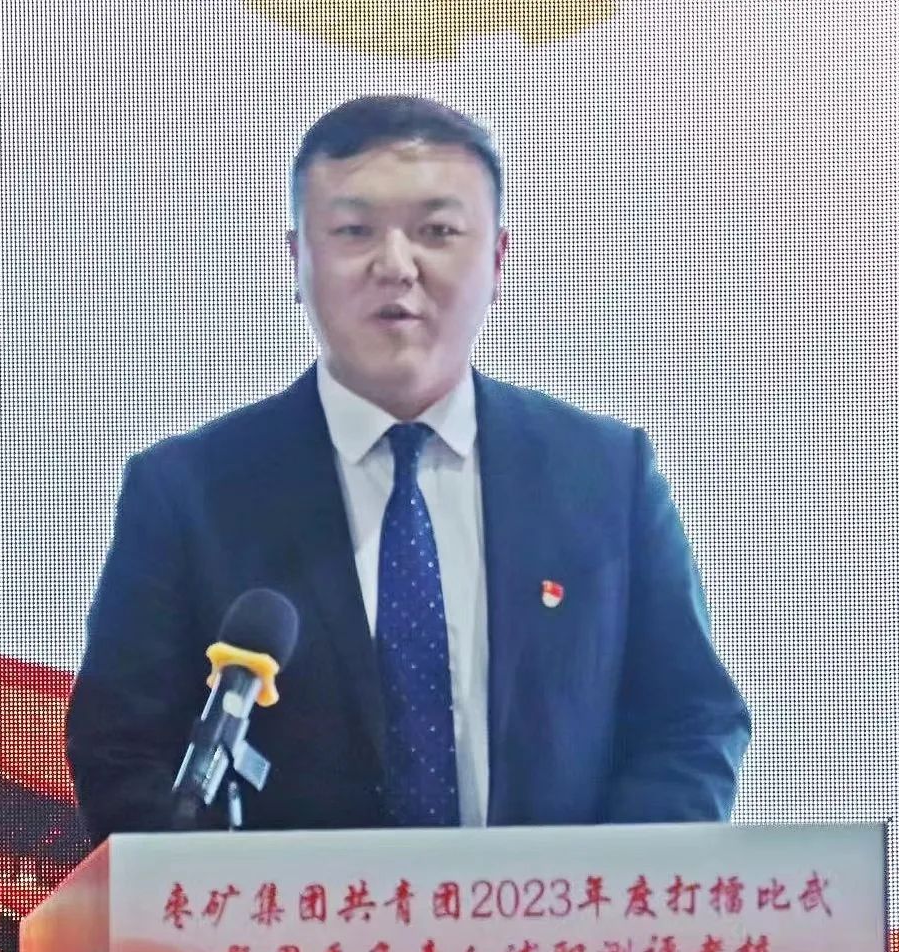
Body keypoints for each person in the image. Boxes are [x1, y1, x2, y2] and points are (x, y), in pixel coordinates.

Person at [66, 95, 751, 847]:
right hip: (294, 922)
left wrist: (614, 891)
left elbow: (689, 722)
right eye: (354, 231)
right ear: (297, 260)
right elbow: (120, 751)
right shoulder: (188, 492)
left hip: (557, 922)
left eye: (437, 232)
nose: (395, 266)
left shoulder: (605, 477)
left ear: (498, 259)